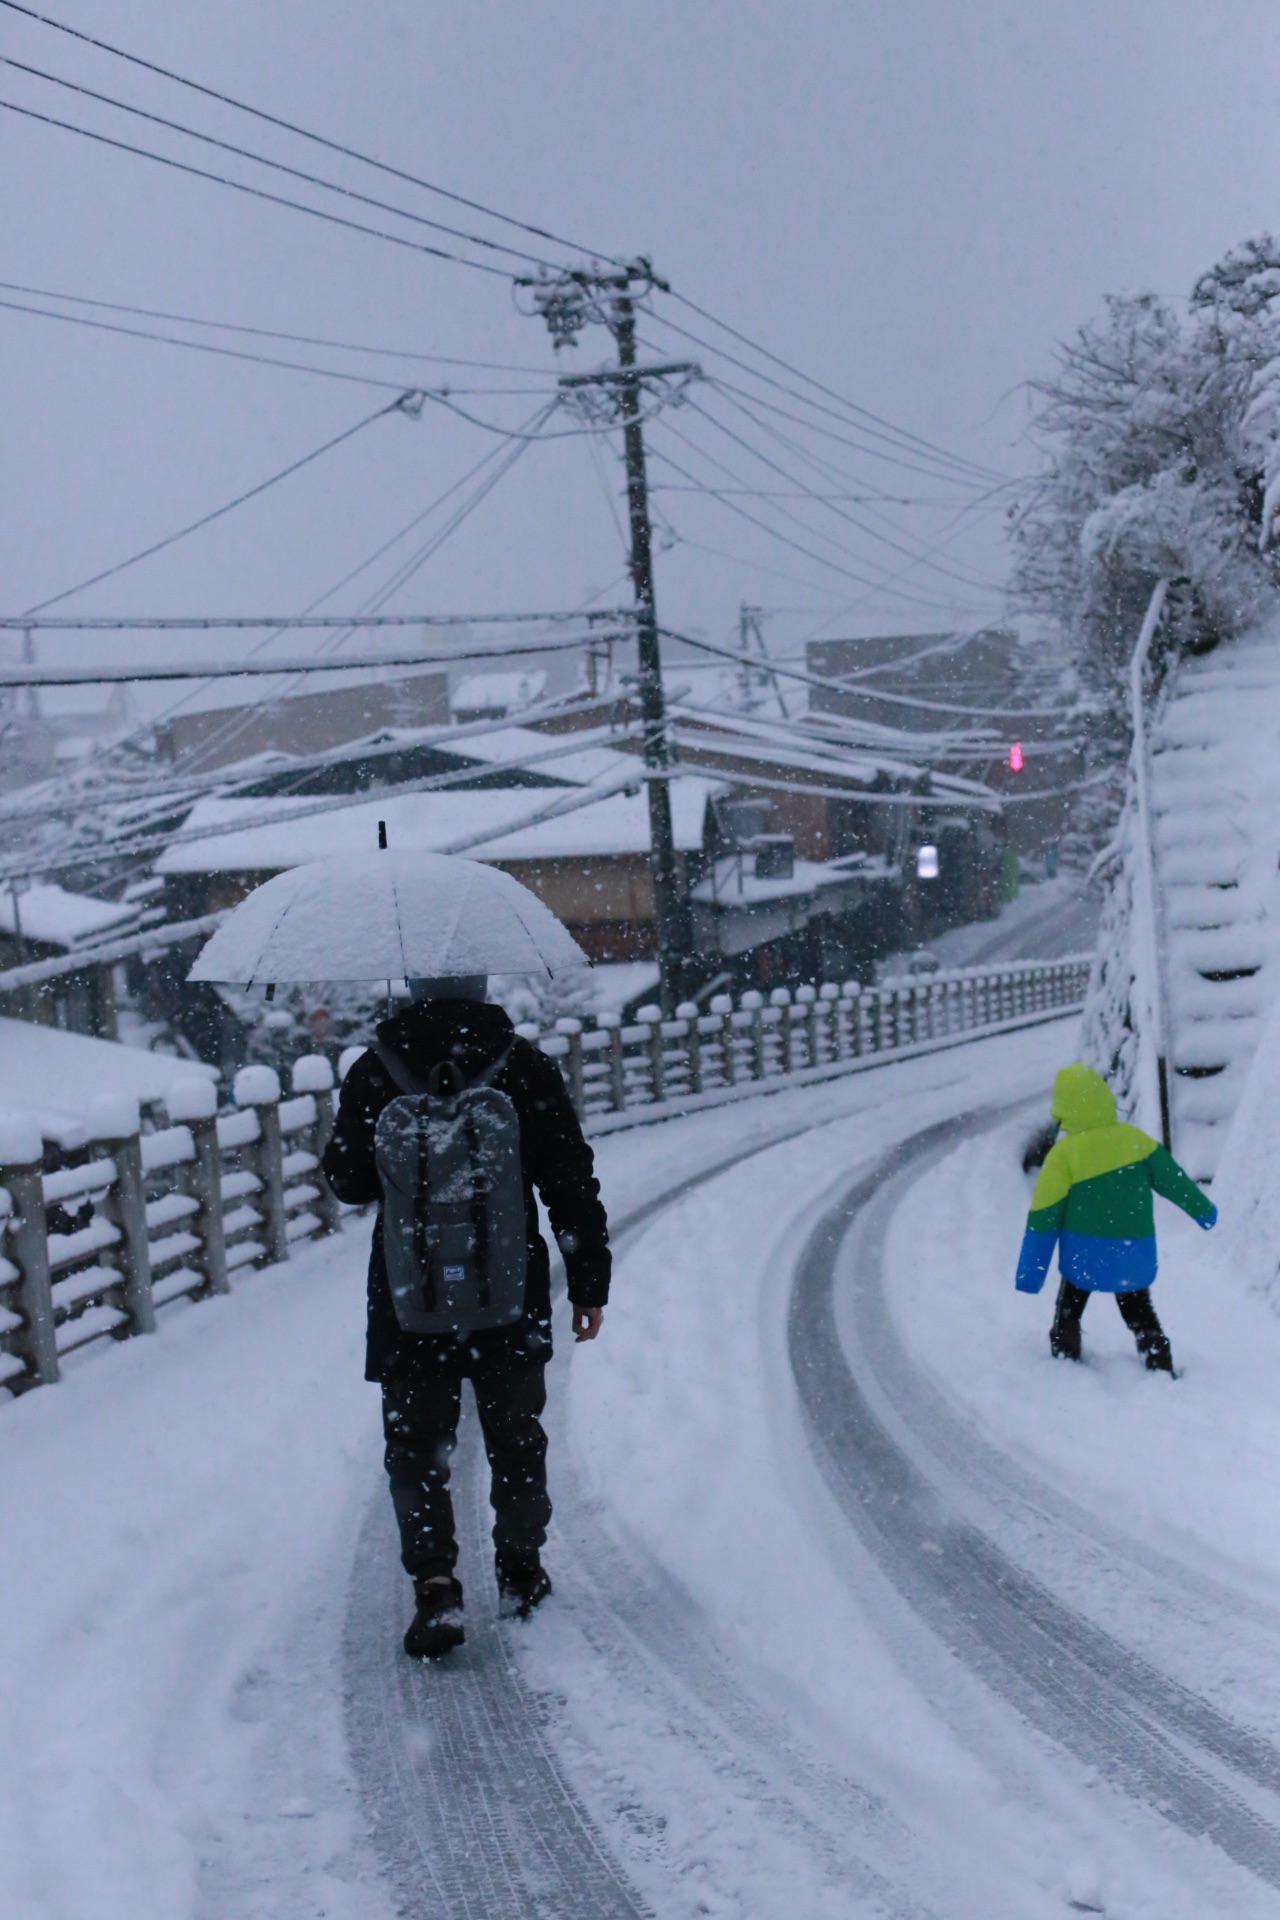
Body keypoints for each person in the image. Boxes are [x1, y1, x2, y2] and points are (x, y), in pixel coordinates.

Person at [322, 975, 610, 1658]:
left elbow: (347, 1182)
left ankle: (436, 1585)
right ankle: (519, 1568)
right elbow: (568, 1176)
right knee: (516, 1438)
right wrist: (589, 1282)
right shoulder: (521, 1063)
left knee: (417, 1449)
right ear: (480, 984)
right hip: (508, 1294)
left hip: (409, 1297)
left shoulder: (375, 1070)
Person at [1016, 1062, 1216, 1375]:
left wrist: (1031, 1273)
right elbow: (1175, 1182)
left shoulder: (1063, 1155)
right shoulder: (1135, 1140)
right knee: (1139, 1312)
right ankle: (1158, 1361)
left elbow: (1043, 1218)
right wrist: (1205, 1211)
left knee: (1069, 1310)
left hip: (1083, 1255)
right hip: (1131, 1251)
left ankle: (1065, 1358)